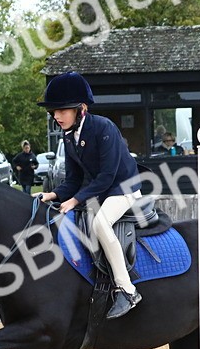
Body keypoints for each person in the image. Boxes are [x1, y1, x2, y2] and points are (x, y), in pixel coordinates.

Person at [36, 71, 143, 319]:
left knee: (100, 225)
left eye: (62, 110)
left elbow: (107, 176)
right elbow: (73, 180)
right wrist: (52, 195)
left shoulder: (104, 128)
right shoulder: (68, 137)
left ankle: (127, 290)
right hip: (101, 191)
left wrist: (74, 201)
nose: (56, 115)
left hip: (123, 188)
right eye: (54, 111)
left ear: (81, 109)